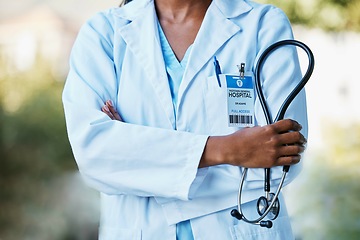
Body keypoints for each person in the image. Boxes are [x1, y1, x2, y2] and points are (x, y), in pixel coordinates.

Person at [62, 0, 308, 239]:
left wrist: (137, 160)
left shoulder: (263, 25)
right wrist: (228, 149)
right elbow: (95, 154)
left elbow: (281, 162)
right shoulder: (103, 33)